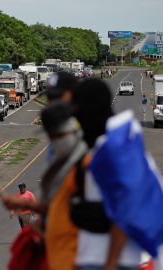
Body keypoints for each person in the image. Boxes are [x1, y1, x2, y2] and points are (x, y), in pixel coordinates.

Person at [3, 102, 88, 270]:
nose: (52, 140)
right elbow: (55, 206)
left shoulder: (87, 167)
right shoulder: (58, 165)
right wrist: (26, 205)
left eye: (56, 135)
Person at [71, 79, 142, 270]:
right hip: (93, 259)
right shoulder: (105, 146)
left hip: (114, 262)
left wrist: (110, 264)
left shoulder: (112, 150)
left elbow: (125, 209)